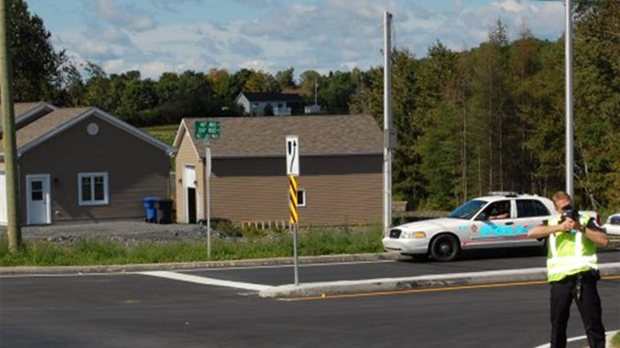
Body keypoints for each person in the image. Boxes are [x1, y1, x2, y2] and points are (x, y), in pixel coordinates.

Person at [527, 191, 609, 348]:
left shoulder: (585, 220)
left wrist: (580, 228)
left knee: (593, 323)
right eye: (564, 208)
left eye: (570, 206)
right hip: (560, 281)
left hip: (583, 278)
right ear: (557, 210)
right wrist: (559, 227)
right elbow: (532, 232)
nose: (568, 210)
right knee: (558, 326)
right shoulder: (552, 222)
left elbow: (604, 240)